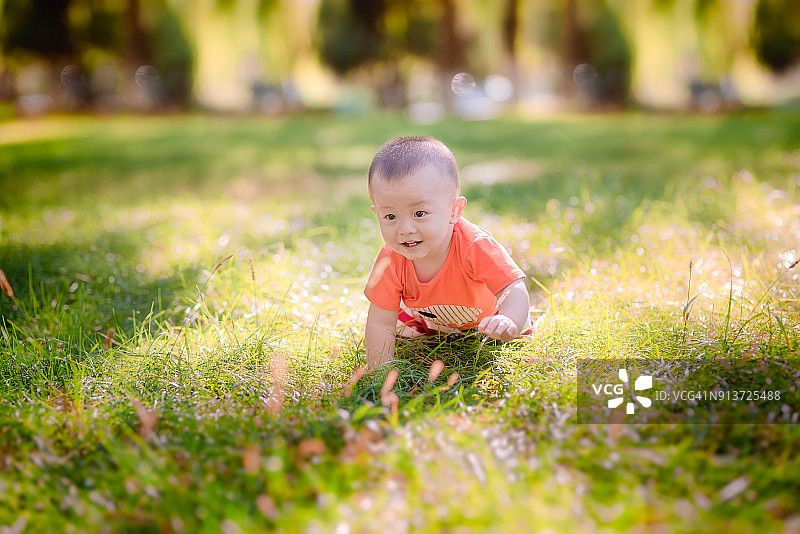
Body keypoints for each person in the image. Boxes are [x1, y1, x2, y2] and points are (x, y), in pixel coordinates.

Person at [363, 136, 531, 370]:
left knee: (517, 328)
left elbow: (512, 287)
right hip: (431, 320)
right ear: (377, 213)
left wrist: (509, 319)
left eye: (419, 213)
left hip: (487, 319)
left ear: (454, 210)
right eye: (390, 216)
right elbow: (380, 322)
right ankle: (439, 334)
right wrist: (379, 374)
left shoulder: (474, 245)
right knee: (397, 326)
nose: (405, 229)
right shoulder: (391, 258)